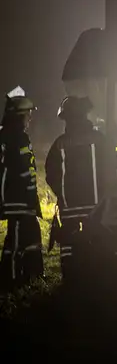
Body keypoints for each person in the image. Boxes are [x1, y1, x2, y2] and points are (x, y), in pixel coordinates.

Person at [44, 96, 117, 285]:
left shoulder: (59, 143)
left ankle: (71, 279)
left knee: (69, 242)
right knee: (97, 240)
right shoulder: (99, 139)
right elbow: (111, 168)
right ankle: (98, 278)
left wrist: (62, 193)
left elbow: (50, 174)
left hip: (69, 208)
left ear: (66, 118)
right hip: (97, 206)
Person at [1, 87, 43, 288]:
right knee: (16, 241)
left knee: (31, 236)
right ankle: (11, 279)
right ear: (19, 115)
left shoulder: (18, 137)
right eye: (28, 114)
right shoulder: (10, 137)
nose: (30, 119)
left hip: (25, 201)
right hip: (16, 201)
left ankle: (31, 275)